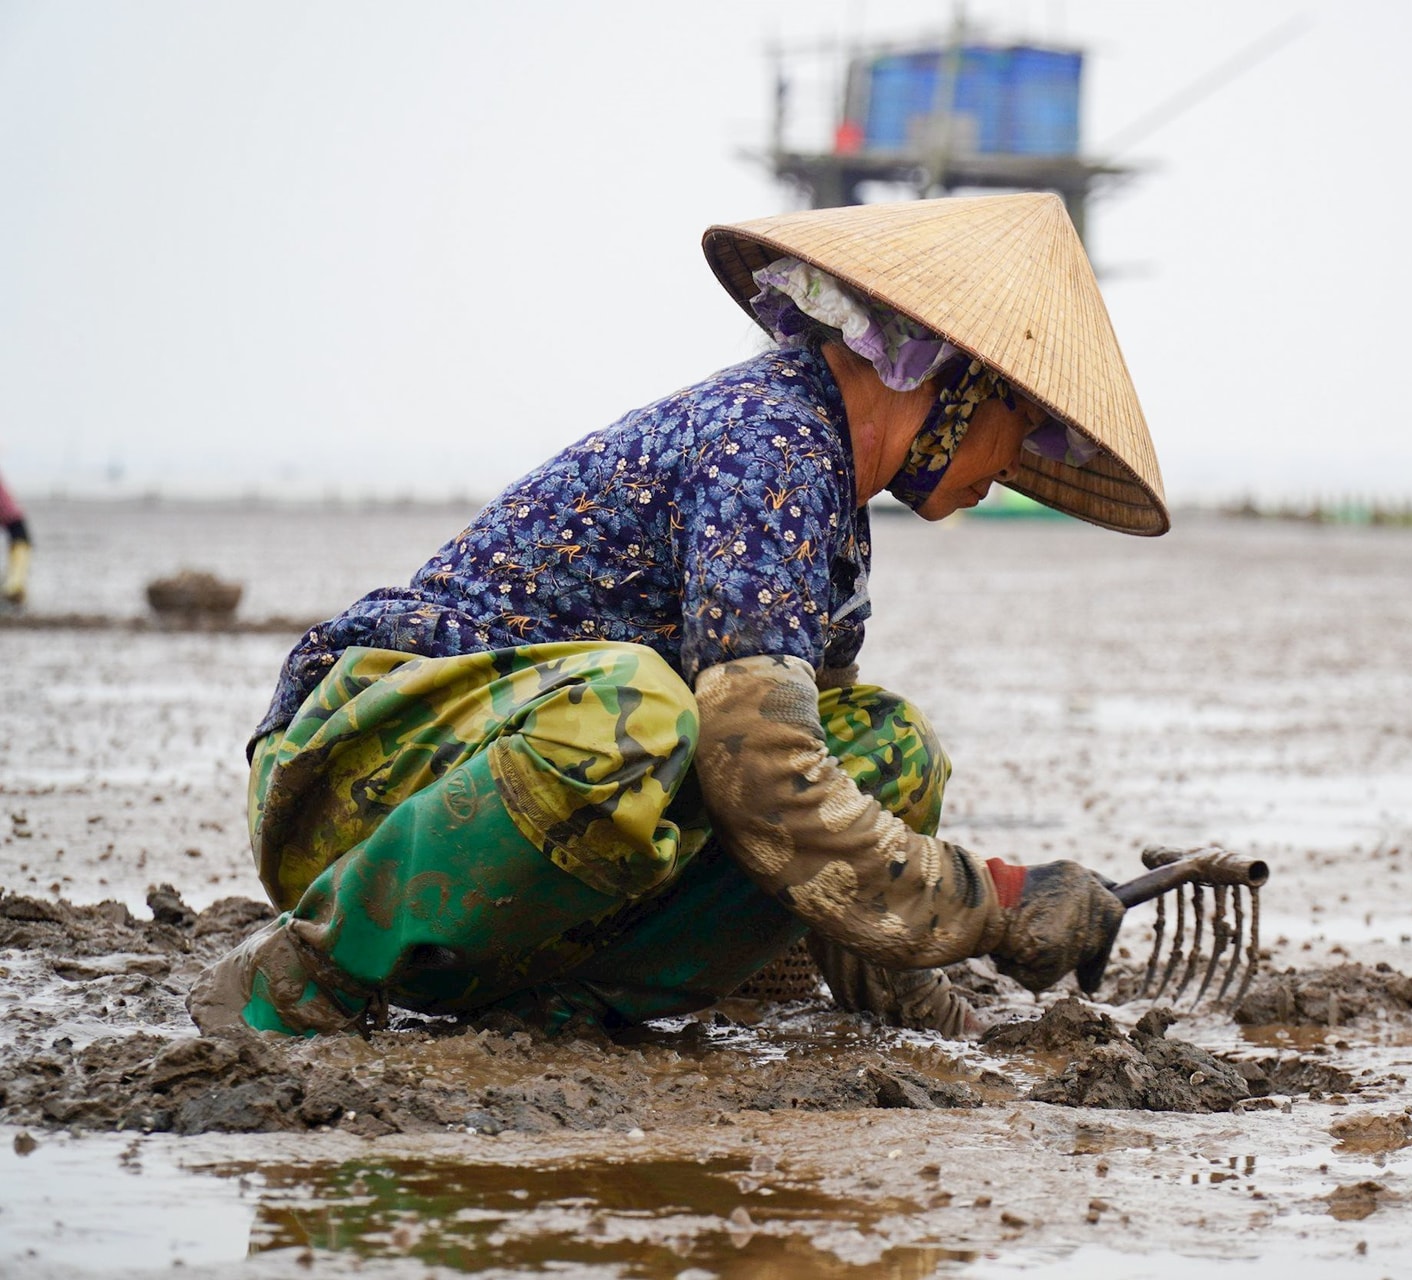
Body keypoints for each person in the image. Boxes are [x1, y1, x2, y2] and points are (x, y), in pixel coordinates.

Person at [189, 193, 1171, 1040]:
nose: (1011, 464)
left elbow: (814, 816)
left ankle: (562, 997)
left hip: (515, 857)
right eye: (1023, 426)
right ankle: (314, 970)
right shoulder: (769, 440)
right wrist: (993, 898)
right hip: (354, 781)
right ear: (956, 384)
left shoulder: (831, 524)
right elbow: (762, 778)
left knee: (890, 745)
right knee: (642, 714)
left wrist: (953, 1020)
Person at [0, 470, 29, 607]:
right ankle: (15, 597)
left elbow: (6, 511)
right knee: (16, 573)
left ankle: (14, 596)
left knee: (15, 580)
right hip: (15, 529)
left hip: (17, 530)